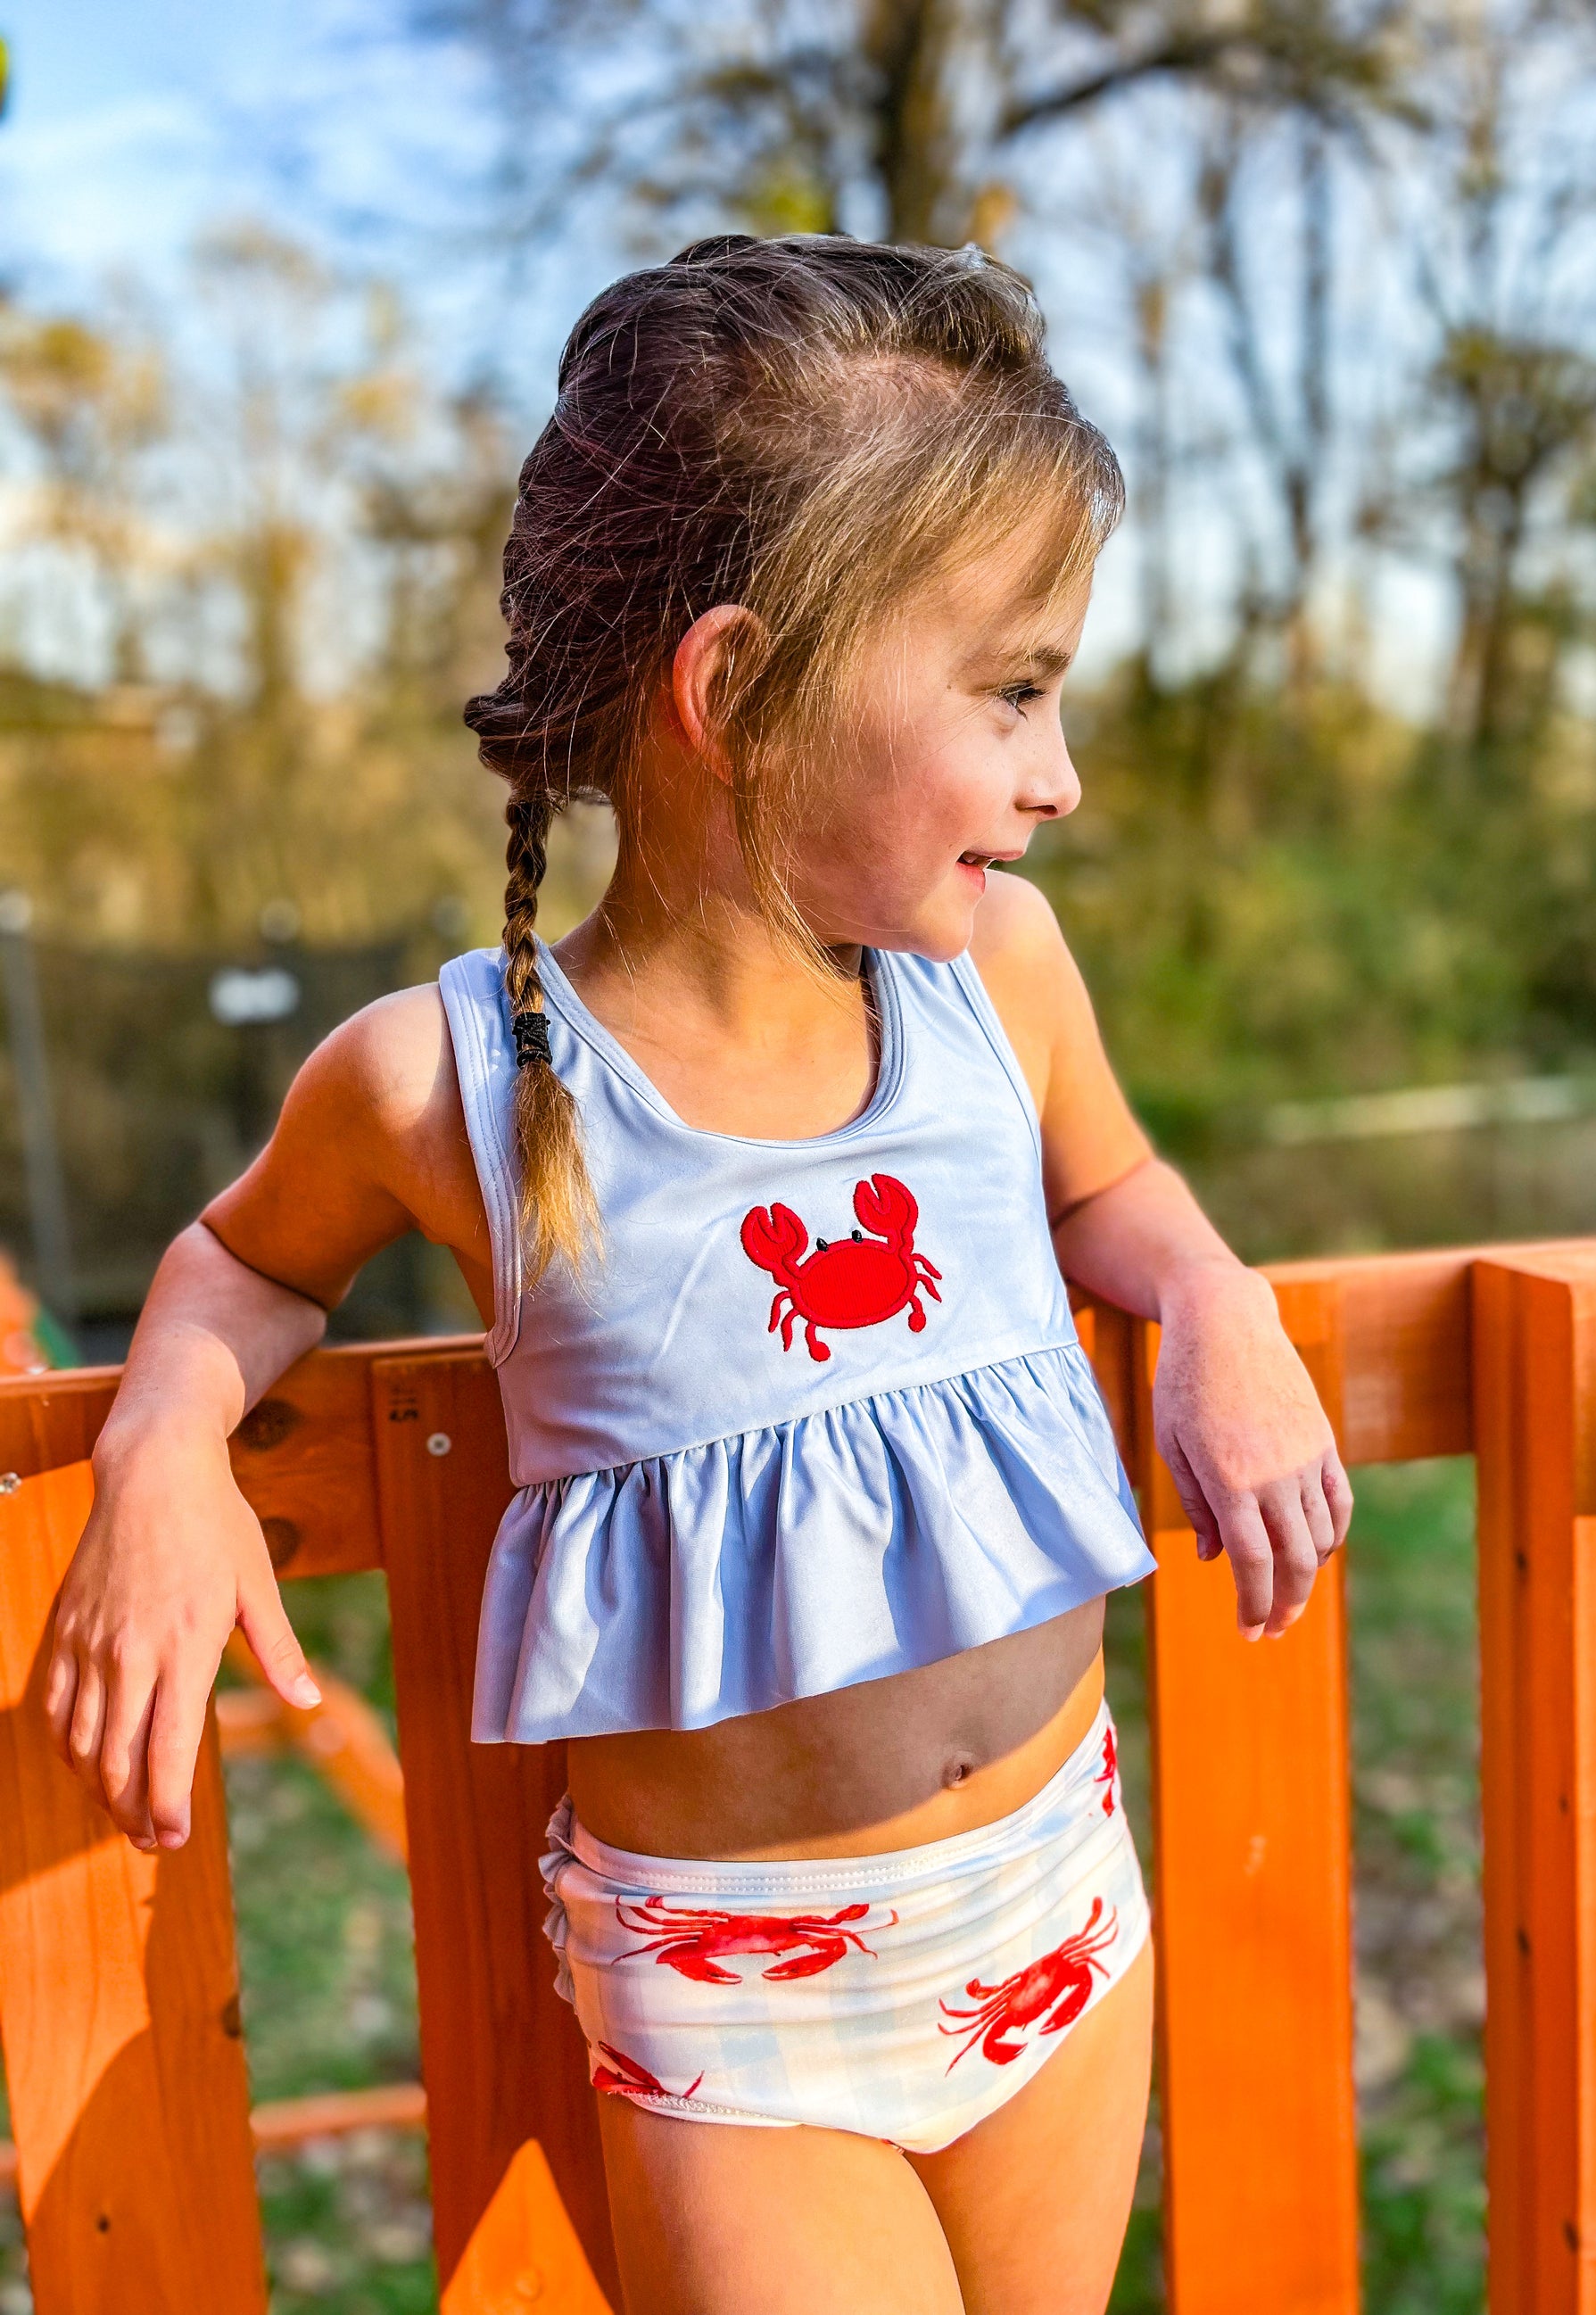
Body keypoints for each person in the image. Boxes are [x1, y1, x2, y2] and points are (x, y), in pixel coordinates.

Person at [45, 236, 1351, 2315]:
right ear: (733, 693)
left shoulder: (1002, 979)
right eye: (1011, 691)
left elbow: (1115, 1184)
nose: (1060, 772)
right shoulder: (447, 1079)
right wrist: (162, 1445)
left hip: (1057, 1904)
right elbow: (233, 1262)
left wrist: (1213, 1299)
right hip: (746, 2018)